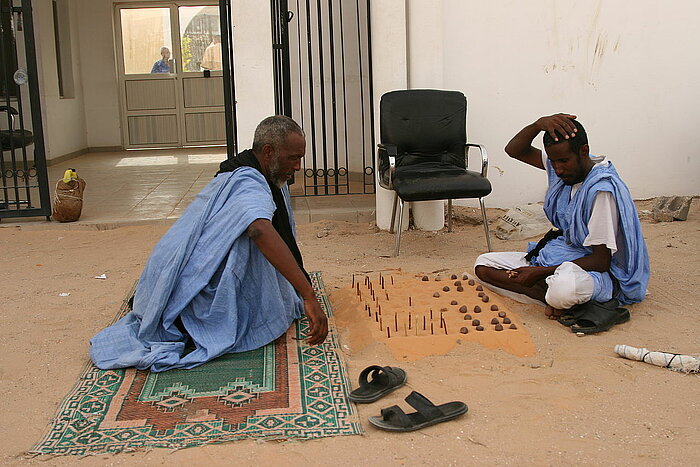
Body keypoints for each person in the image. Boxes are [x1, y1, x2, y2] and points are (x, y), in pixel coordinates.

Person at [90, 116, 328, 372]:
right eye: (293, 158)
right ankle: (187, 319)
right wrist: (308, 294)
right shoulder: (247, 182)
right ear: (268, 152)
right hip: (193, 281)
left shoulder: (265, 175)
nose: (299, 166)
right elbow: (259, 230)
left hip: (174, 268)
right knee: (255, 302)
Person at [474, 113, 650, 321]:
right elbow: (514, 150)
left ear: (584, 151)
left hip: (600, 271)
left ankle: (555, 294)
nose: (557, 169)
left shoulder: (601, 191)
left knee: (563, 289)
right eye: (554, 161)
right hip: (564, 254)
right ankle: (552, 297)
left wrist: (540, 273)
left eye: (564, 161)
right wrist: (538, 124)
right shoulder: (562, 169)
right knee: (483, 265)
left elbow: (601, 260)